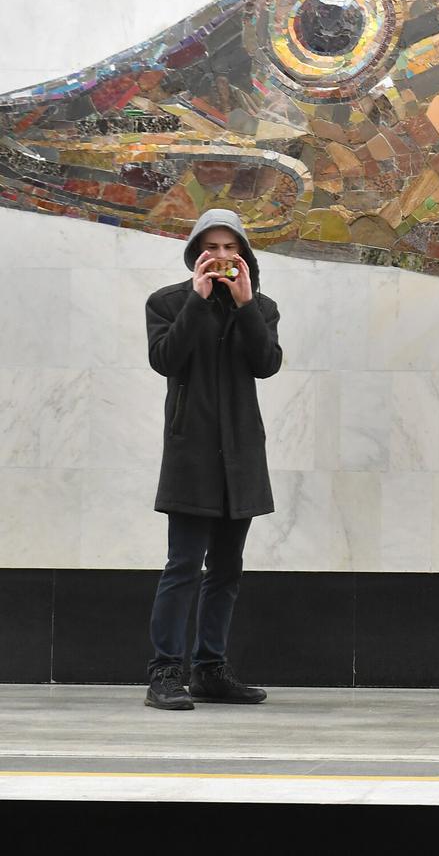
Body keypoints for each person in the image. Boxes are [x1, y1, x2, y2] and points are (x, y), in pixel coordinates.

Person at [143, 208, 282, 711]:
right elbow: (165, 359)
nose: (222, 257)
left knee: (226, 568)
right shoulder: (167, 302)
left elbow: (266, 364)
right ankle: (164, 673)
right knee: (183, 565)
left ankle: (210, 670)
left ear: (243, 254)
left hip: (240, 455)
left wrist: (244, 306)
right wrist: (197, 302)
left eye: (230, 248)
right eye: (211, 248)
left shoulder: (260, 307)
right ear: (195, 254)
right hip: (192, 454)